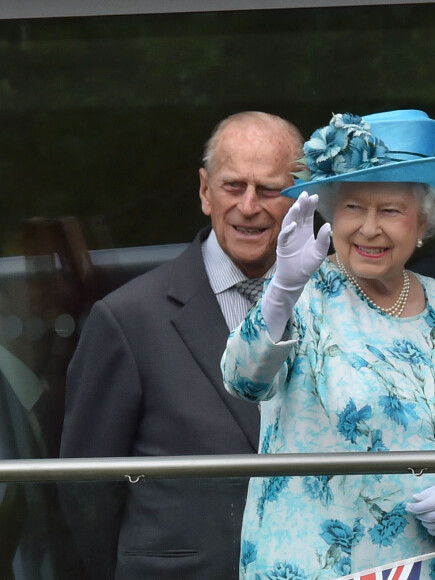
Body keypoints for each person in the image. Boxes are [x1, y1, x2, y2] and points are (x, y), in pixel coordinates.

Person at [221, 110, 435, 579]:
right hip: (310, 567)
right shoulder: (306, 294)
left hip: (421, 567)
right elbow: (242, 381)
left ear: (423, 222)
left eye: (390, 210)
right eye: (353, 207)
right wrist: (281, 293)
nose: (369, 228)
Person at [59, 111, 303, 580]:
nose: (249, 206)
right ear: (204, 190)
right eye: (233, 186)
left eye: (269, 189)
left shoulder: (332, 306)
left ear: (298, 199)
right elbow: (85, 490)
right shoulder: (128, 318)